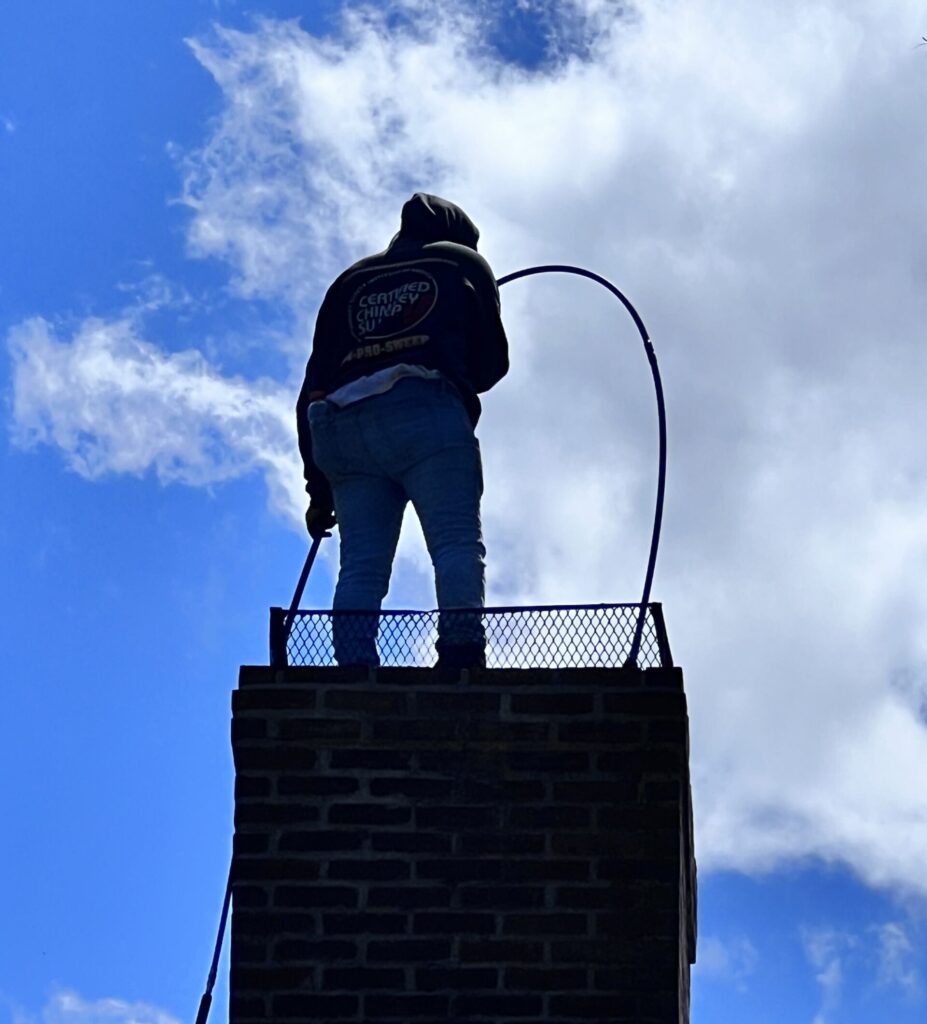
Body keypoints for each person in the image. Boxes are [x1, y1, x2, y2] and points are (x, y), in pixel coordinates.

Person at [296, 193, 509, 668]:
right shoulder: (463, 262)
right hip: (424, 412)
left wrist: (317, 487)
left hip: (340, 428)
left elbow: (312, 383)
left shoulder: (347, 282)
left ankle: (352, 671)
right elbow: (491, 366)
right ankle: (461, 654)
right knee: (454, 541)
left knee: (361, 567)